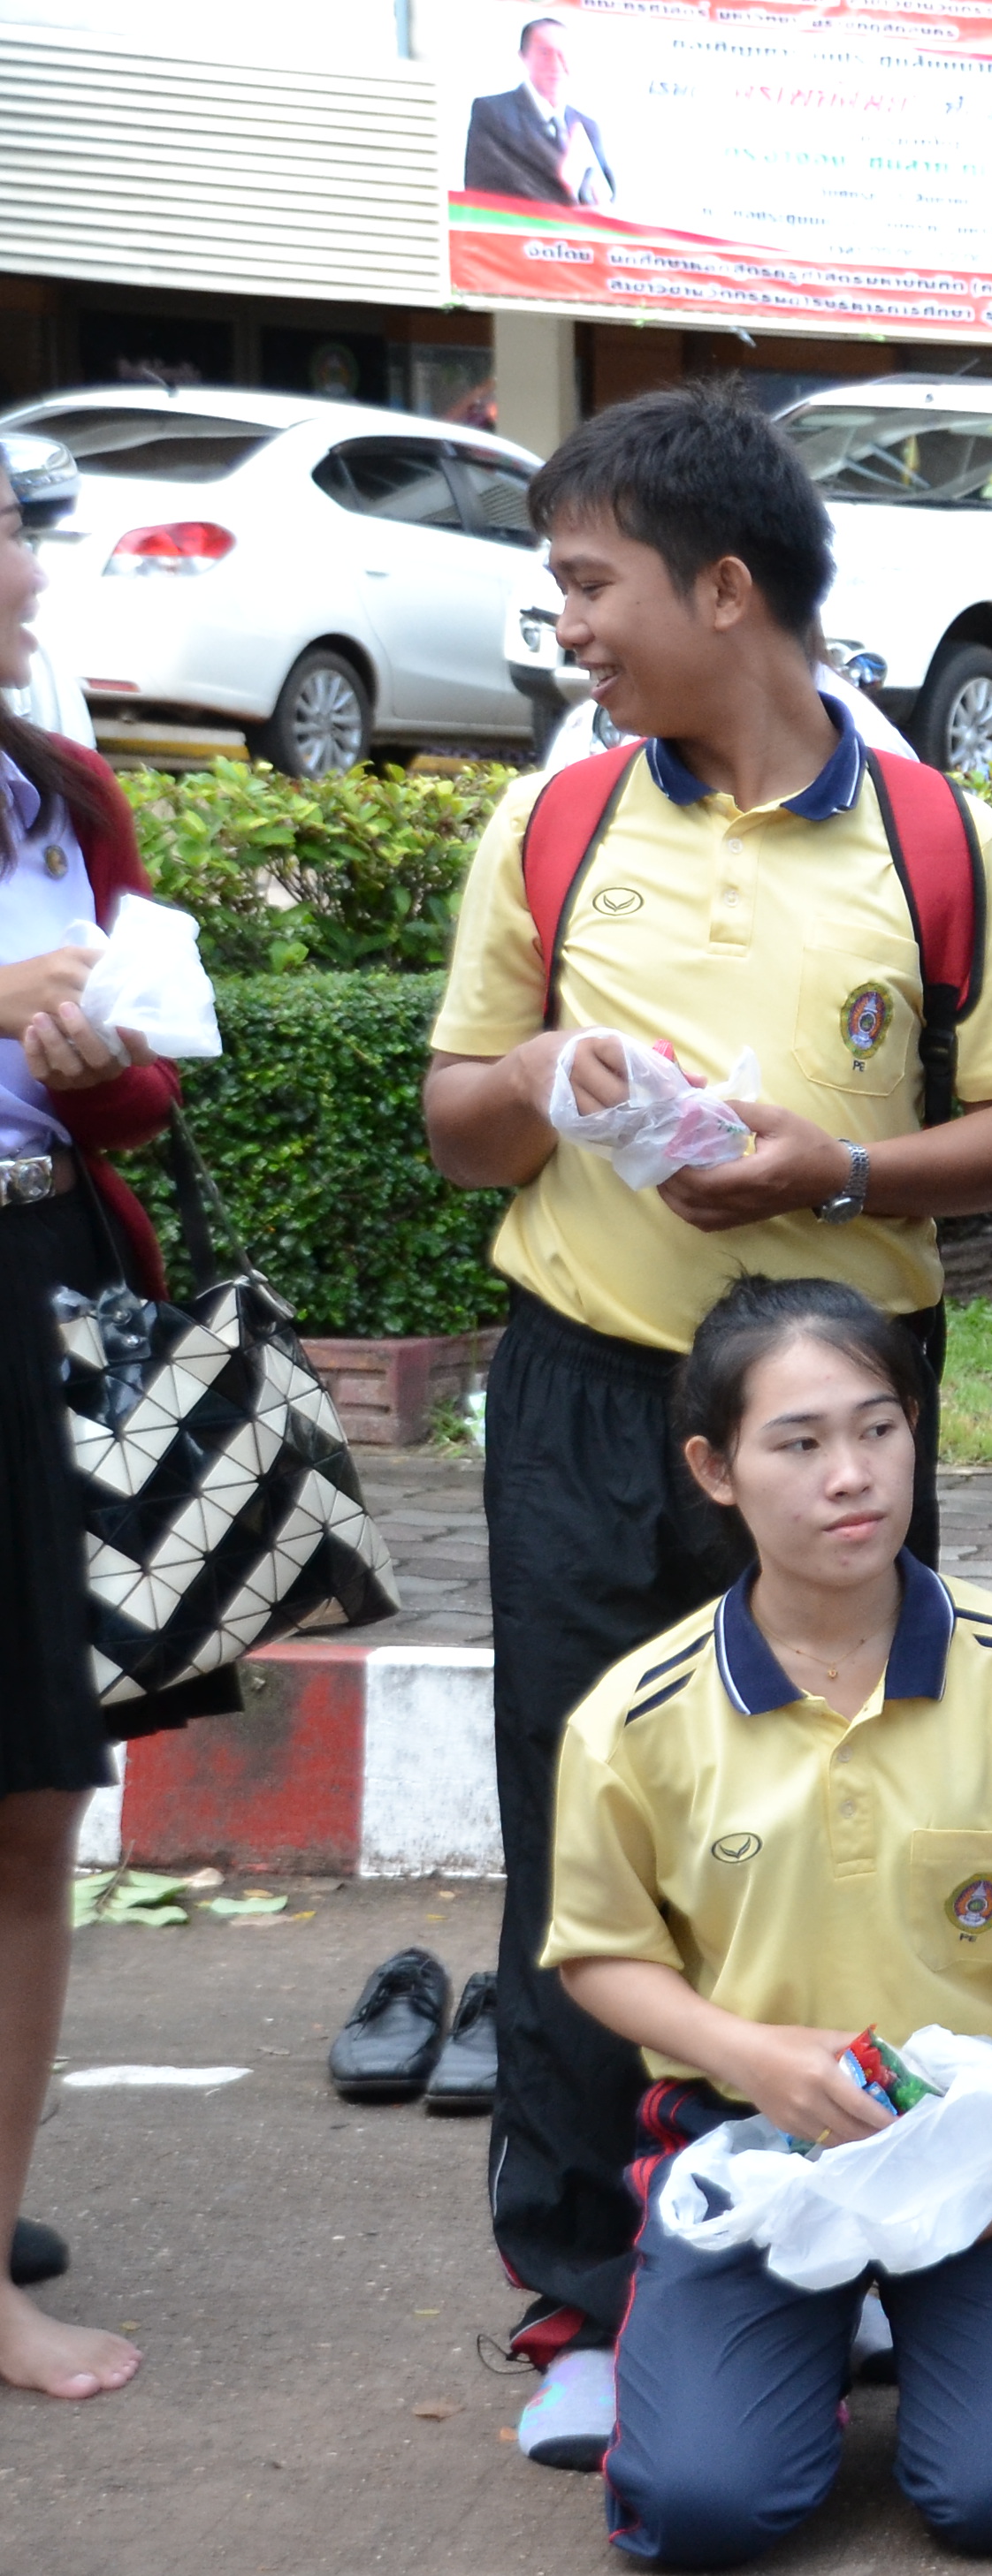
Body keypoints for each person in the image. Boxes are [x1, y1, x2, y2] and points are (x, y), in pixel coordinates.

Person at [422, 382, 992, 2469]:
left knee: (847, 1826)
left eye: (590, 583)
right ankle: (585, 2295)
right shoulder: (556, 823)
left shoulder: (940, 839)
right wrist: (546, 1080)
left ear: (723, 588)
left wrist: (830, 1170)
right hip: (592, 1390)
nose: (569, 626)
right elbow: (453, 1117)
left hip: (841, 1405)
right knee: (579, 1827)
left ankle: (856, 2231)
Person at [546, 1278, 992, 2570]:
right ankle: (809, 2329)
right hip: (759, 2148)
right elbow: (602, 1955)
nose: (851, 1476)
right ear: (714, 1470)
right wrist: (753, 2057)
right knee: (701, 2511)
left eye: (878, 1429)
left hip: (982, 2149)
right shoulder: (637, 1717)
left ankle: (928, 2317)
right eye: (798, 1442)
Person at [0, 429, 220, 2403]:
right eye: (6, 535)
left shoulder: (60, 791)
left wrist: (89, 1060)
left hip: (44, 1286)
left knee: (32, 1792)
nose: (27, 571)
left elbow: (145, 1094)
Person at [462, 18, 618, 209]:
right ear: (523, 56)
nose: (556, 63)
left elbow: (606, 198)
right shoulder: (493, 112)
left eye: (563, 53)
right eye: (545, 53)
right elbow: (484, 189)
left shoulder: (588, 126)